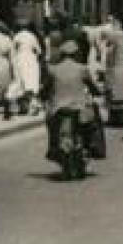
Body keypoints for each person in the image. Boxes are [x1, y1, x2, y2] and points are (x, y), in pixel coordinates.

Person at [41, 37, 102, 174]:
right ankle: (92, 146)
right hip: (79, 108)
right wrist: (97, 92)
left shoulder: (53, 69)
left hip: (59, 109)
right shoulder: (82, 69)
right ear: (76, 54)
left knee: (52, 127)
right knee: (94, 124)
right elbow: (93, 87)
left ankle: (53, 148)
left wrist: (43, 97)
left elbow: (45, 89)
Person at [12, 22, 45, 115]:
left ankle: (23, 107)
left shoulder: (16, 36)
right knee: (32, 83)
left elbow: (13, 51)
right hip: (31, 60)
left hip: (19, 60)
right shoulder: (32, 36)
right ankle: (33, 105)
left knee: (21, 83)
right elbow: (39, 51)